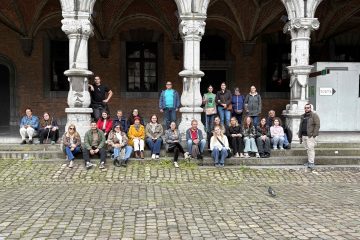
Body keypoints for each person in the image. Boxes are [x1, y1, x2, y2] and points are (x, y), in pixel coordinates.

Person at [298, 103, 320, 170]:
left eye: (308, 108)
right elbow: (301, 126)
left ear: (310, 108)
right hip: (303, 135)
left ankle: (311, 163)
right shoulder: (303, 116)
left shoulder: (314, 115)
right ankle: (309, 161)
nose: (306, 109)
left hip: (310, 136)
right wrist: (300, 135)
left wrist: (314, 134)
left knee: (311, 149)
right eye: (305, 108)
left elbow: (317, 125)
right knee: (307, 149)